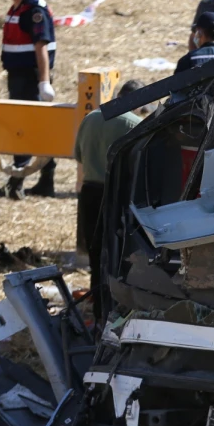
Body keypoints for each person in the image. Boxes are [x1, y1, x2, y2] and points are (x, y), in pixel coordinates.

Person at [73, 79, 146, 322]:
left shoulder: (91, 118)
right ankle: (115, 315)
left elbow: (78, 156)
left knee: (96, 258)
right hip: (116, 195)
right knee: (119, 259)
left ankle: (98, 313)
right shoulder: (135, 124)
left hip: (89, 193)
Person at [0, 0, 57, 200]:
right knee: (37, 128)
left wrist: (44, 82)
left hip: (30, 78)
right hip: (19, 76)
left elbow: (41, 47)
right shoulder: (17, 8)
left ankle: (16, 181)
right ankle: (44, 180)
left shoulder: (33, 10)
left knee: (23, 127)